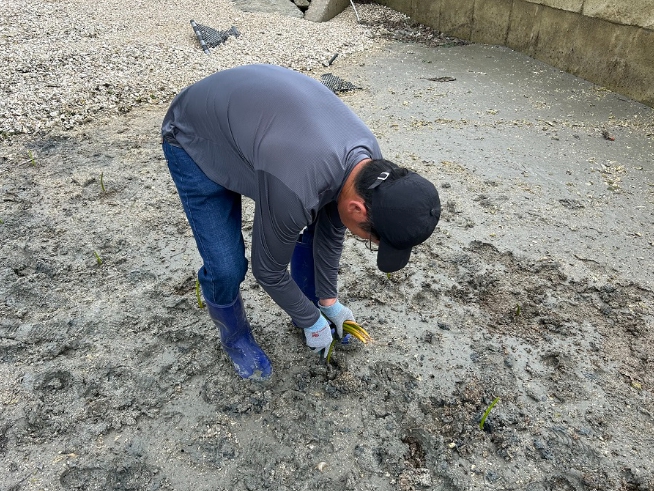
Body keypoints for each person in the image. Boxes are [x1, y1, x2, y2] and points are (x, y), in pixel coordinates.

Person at [161, 64, 441, 380]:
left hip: (255, 132)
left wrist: (329, 302)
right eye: (370, 239)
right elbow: (268, 271)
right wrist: (312, 321)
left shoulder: (371, 168)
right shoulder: (295, 186)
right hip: (193, 133)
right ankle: (235, 337)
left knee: (316, 211)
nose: (369, 241)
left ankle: (309, 305)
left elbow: (331, 230)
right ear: (358, 209)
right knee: (227, 267)